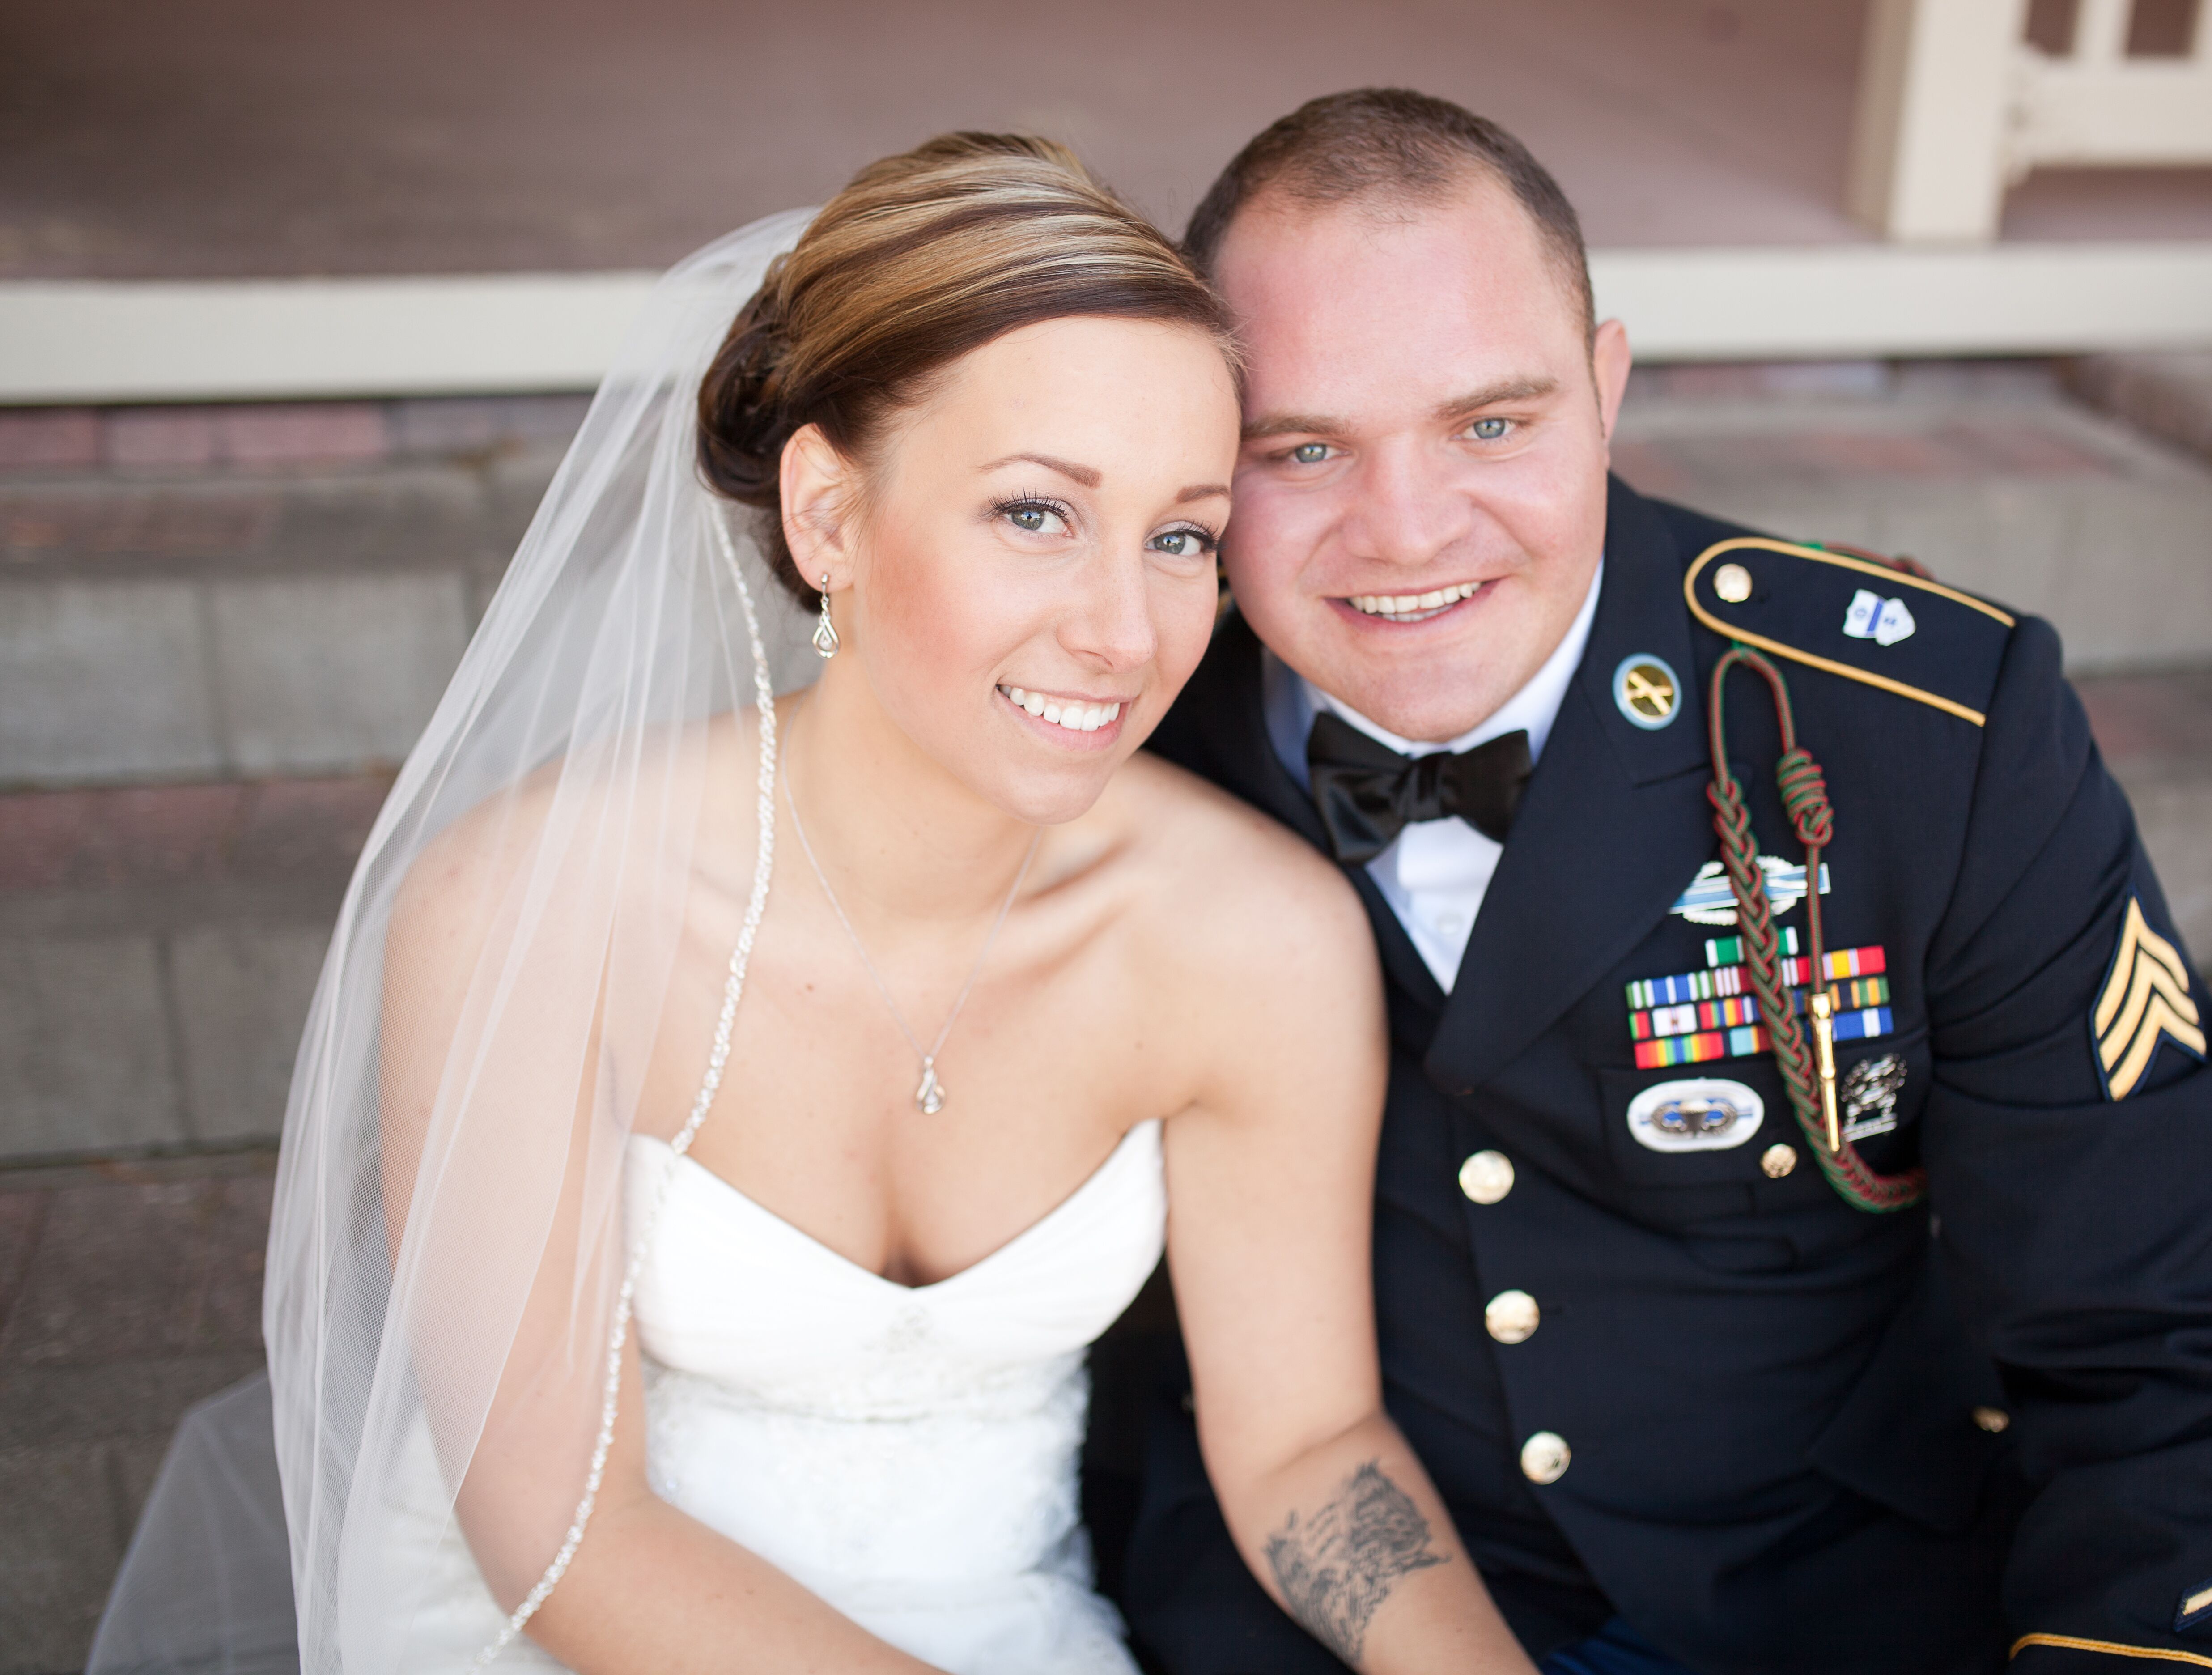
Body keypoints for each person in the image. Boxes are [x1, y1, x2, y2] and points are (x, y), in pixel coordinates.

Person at [92, 135, 1541, 1675]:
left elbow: (1308, 1446)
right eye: (1037, 514)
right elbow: (559, 1532)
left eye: (1181, 536)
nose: (1127, 631)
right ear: (828, 518)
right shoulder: (527, 907)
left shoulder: (1254, 938)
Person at [1120, 91, 2212, 1675]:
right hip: (1313, 1608)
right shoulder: (1120, 732)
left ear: (1607, 391)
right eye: (1304, 446)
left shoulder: (1929, 740)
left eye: (1492, 424)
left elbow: (2168, 1346)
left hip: (1830, 1603)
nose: (1407, 530)